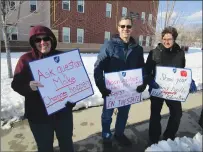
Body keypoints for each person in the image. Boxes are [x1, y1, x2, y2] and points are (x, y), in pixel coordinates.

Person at [11, 25, 75, 152]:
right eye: (37, 40)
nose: (42, 42)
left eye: (46, 38)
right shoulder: (25, 60)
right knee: (45, 147)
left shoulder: (62, 58)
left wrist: (73, 99)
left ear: (51, 40)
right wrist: (28, 87)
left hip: (63, 113)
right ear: (33, 42)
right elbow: (16, 84)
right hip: (38, 115)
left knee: (67, 143)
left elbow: (74, 83)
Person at [136, 26, 197, 145]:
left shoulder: (180, 53)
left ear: (174, 39)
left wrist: (189, 80)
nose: (166, 41)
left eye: (169, 39)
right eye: (164, 38)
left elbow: (181, 70)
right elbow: (146, 71)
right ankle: (153, 139)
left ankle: (169, 136)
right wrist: (150, 81)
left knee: (177, 113)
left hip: (173, 90)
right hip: (157, 89)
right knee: (155, 115)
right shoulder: (155, 52)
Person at [94, 16, 145, 148]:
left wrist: (142, 83)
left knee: (123, 114)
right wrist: (101, 87)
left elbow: (141, 68)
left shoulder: (137, 49)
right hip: (111, 90)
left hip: (128, 91)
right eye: (122, 26)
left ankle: (119, 134)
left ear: (132, 28)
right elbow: (98, 67)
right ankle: (106, 137)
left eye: (128, 26)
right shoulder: (109, 45)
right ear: (118, 28)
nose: (125, 29)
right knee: (107, 116)